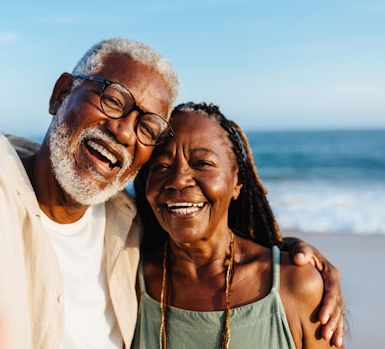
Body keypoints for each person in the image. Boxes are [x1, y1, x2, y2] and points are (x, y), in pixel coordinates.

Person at [0, 37, 345, 348]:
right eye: (111, 100)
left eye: (147, 126)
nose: (124, 132)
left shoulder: (126, 227)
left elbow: (208, 242)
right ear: (60, 94)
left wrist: (291, 255)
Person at [132, 102, 344, 348]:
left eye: (202, 163)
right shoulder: (129, 282)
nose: (178, 180)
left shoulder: (295, 283)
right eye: (161, 167)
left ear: (237, 182)